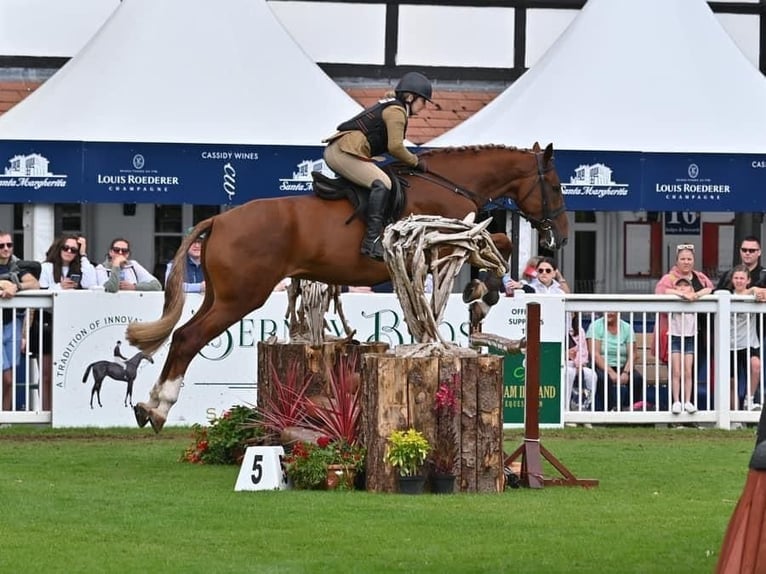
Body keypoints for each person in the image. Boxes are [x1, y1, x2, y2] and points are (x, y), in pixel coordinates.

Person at [323, 72, 432, 261]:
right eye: (423, 101)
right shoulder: (397, 112)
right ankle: (371, 240)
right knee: (383, 184)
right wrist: (416, 161)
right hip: (342, 153)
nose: (423, 107)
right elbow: (395, 147)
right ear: (410, 97)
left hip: (344, 151)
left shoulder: (393, 107)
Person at [653, 244, 714, 399]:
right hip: (673, 331)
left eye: (689, 259)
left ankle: (689, 407)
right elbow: (660, 292)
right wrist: (683, 295)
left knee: (691, 371)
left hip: (697, 331)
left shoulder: (700, 277)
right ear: (677, 261)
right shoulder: (668, 278)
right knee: (676, 372)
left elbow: (711, 289)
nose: (686, 262)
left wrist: (696, 294)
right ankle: (674, 409)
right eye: (683, 259)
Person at [0, 230, 40, 411]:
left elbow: (35, 284)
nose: (6, 249)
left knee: (10, 379)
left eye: (9, 245)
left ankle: (5, 419)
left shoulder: (17, 266)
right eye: (1, 246)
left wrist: (16, 286)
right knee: (6, 377)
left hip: (12, 324)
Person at [586, 312, 643, 411]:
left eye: (612, 311)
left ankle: (629, 410)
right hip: (600, 366)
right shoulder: (595, 326)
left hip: (622, 366)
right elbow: (595, 354)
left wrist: (625, 372)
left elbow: (633, 354)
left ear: (618, 312)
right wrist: (611, 372)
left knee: (636, 378)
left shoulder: (627, 327)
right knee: (603, 378)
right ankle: (609, 410)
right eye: (606, 310)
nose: (608, 313)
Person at [729, 265, 762, 411]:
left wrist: (755, 290)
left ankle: (749, 399)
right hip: (729, 344)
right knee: (731, 381)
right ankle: (734, 414)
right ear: (732, 280)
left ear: (748, 280)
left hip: (749, 342)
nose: (739, 281)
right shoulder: (725, 295)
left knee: (756, 366)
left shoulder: (753, 294)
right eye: (736, 278)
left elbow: (761, 292)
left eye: (742, 278)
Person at [667, 277, 698, 414]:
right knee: (676, 371)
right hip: (675, 336)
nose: (682, 288)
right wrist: (682, 293)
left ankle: (687, 401)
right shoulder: (673, 298)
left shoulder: (694, 299)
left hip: (689, 337)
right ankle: (676, 401)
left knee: (688, 372)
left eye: (686, 286)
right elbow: (666, 291)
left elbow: (708, 290)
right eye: (680, 286)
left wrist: (693, 295)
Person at [95, 238, 162, 293]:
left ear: (128, 254)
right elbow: (112, 288)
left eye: (124, 251)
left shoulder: (133, 265)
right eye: (116, 250)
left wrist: (134, 287)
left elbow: (157, 286)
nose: (120, 253)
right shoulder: (101, 268)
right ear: (110, 252)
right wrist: (116, 265)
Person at [566, 313, 596, 412]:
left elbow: (583, 353)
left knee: (591, 375)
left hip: (578, 365)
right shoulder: (556, 329)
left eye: (571, 313)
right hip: (562, 364)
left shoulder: (580, 330)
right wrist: (566, 355)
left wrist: (579, 364)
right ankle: (566, 409)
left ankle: (586, 408)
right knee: (569, 373)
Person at [165, 228, 204, 293]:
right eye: (193, 242)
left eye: (200, 242)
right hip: (183, 303)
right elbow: (170, 286)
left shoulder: (212, 265)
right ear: (185, 244)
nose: (197, 246)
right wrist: (199, 287)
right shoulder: (174, 264)